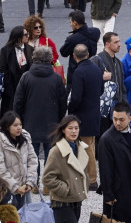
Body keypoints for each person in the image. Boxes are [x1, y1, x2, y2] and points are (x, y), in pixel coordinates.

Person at [42, 115, 90, 223]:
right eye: (70, 128)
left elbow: (82, 171)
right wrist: (66, 189)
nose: (74, 131)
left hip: (76, 200)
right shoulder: (57, 151)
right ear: (63, 130)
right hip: (62, 202)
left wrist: (84, 186)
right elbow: (47, 178)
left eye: (76, 128)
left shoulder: (80, 147)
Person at [14, 45, 67, 175]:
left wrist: (19, 121)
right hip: (51, 122)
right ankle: (48, 184)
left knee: (32, 156)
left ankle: (34, 183)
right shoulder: (56, 78)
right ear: (49, 59)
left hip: (30, 122)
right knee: (51, 155)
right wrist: (59, 120)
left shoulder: (26, 77)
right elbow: (62, 102)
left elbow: (18, 102)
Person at [67, 43, 103, 188]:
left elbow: (76, 97)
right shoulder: (96, 68)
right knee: (91, 147)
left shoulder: (79, 72)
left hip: (82, 115)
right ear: (87, 54)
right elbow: (101, 90)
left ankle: (92, 179)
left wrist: (70, 110)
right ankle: (90, 177)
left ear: (75, 56)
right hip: (94, 112)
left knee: (86, 148)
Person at [0, 27, 33, 117]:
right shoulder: (5, 50)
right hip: (11, 87)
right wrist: (8, 88)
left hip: (26, 88)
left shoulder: (30, 49)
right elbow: (3, 69)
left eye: (27, 34)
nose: (27, 36)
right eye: (25, 35)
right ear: (18, 36)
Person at [61, 10, 101, 84]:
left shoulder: (72, 39)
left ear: (75, 23)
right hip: (92, 68)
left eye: (71, 22)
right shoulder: (95, 32)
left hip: (76, 72)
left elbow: (63, 53)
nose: (70, 24)